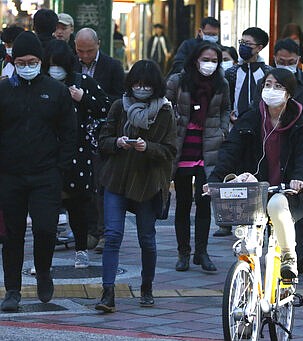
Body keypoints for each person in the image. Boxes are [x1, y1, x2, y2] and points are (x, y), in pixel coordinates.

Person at [207, 68, 303, 279]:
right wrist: (215, 179)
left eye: (278, 86)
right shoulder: (251, 117)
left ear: (289, 93)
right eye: (267, 85)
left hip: (285, 190)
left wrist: (300, 178)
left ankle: (288, 256)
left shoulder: (301, 121)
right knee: (248, 232)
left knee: (276, 206)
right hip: (255, 188)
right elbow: (231, 150)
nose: (271, 90)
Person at [0, 31, 77, 311]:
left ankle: (43, 271)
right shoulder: (4, 90)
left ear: (41, 61)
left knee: (45, 229)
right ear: (14, 62)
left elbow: (70, 133)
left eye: (32, 60)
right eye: (21, 61)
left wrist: (61, 169)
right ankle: (12, 290)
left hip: (46, 174)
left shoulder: (55, 91)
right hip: (10, 175)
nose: (27, 66)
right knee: (12, 235)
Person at [95, 59, 177, 313]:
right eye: (137, 84)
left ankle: (147, 287)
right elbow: (103, 139)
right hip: (116, 178)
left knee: (147, 238)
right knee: (112, 235)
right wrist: (117, 142)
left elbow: (170, 150)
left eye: (146, 85)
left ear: (155, 87)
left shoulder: (164, 111)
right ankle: (107, 292)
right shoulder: (120, 105)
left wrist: (147, 147)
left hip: (147, 182)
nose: (141, 89)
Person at [251, 38, 303, 273]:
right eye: (281, 61)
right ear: (274, 58)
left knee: (299, 208)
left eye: (291, 61)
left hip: (299, 152)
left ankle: (301, 255)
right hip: (271, 151)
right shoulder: (265, 84)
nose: (285, 64)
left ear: (299, 60)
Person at [42, 39, 110, 268]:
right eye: (51, 64)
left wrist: (83, 98)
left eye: (59, 64)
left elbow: (105, 107)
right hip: (46, 154)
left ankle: (81, 250)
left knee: (78, 206)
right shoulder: (40, 84)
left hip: (77, 155)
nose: (55, 69)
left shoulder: (82, 83)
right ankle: (44, 258)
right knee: (46, 209)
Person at [165, 42, 230, 273]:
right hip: (183, 147)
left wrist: (222, 130)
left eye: (214, 60)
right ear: (195, 59)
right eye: (205, 59)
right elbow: (165, 104)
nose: (209, 64)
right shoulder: (178, 81)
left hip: (208, 149)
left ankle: (202, 252)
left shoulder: (221, 83)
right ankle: (183, 252)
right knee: (182, 203)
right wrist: (173, 124)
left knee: (204, 202)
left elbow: (225, 109)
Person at [214, 27, 272, 237]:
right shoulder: (231, 72)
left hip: (258, 130)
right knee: (231, 171)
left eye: (248, 44)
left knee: (255, 172)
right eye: (242, 42)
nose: (243, 47)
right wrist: (229, 115)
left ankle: (257, 217)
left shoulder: (266, 73)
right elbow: (224, 99)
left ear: (259, 47)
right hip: (234, 128)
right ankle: (228, 219)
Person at [74, 27, 125, 253]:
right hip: (78, 132)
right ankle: (90, 231)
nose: (84, 56)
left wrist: (89, 99)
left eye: (89, 51)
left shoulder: (112, 66)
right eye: (80, 51)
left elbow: (119, 98)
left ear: (98, 45)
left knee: (103, 183)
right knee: (86, 186)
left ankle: (104, 232)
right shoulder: (72, 65)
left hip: (104, 131)